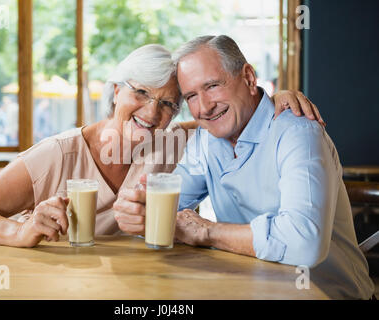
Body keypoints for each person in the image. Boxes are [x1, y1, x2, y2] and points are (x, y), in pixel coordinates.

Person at [0, 43, 320, 249]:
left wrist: (271, 99)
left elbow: (223, 117)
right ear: (116, 91)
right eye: (140, 92)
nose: (152, 112)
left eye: (169, 103)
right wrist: (17, 232)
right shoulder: (58, 154)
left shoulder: (176, 144)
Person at [114, 36, 375, 299]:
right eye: (191, 96)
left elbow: (304, 243)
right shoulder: (206, 141)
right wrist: (140, 210)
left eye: (213, 86)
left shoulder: (298, 131)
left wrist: (207, 231)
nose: (204, 107)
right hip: (251, 291)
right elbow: (168, 207)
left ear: (249, 77)